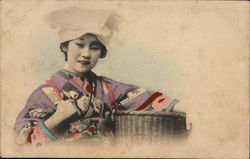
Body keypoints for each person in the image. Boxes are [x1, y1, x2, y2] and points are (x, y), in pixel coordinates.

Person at [14, 7, 183, 146]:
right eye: (79, 45)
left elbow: (150, 100)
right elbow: (22, 143)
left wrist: (194, 111)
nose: (86, 54)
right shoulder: (45, 93)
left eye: (94, 47)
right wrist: (57, 117)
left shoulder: (108, 88)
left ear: (101, 52)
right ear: (65, 47)